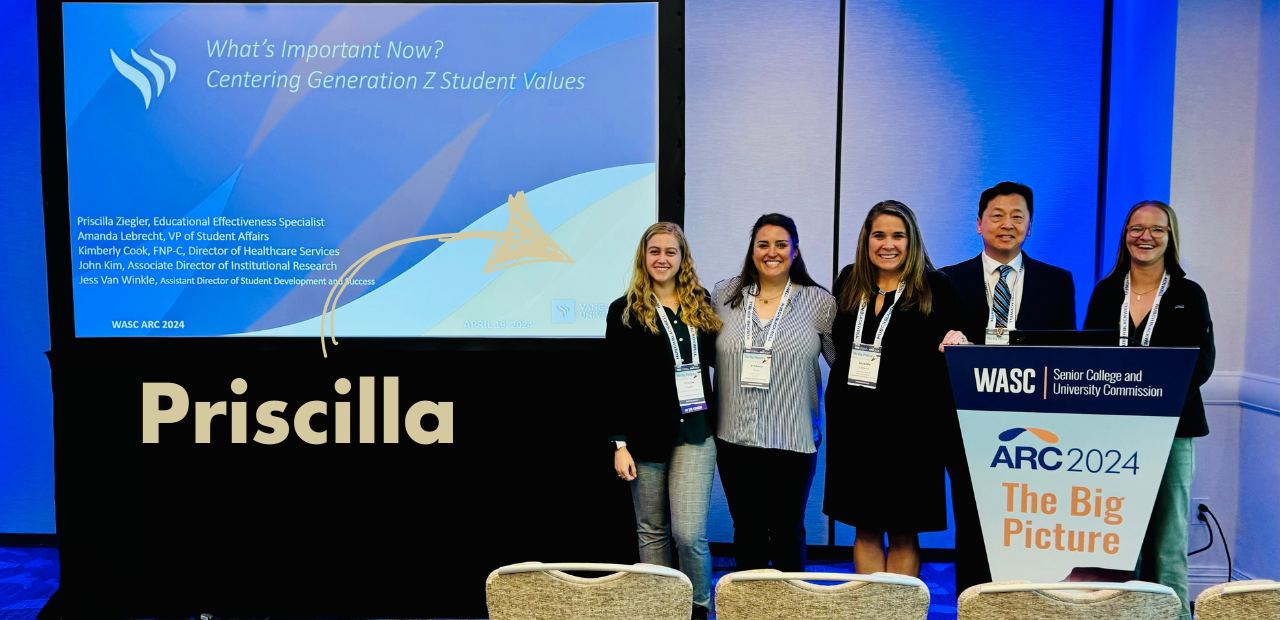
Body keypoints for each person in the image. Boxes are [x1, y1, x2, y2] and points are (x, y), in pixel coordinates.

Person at [938, 181, 1077, 592]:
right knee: (973, 521)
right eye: (996, 215)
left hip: (1033, 429)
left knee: (1025, 522)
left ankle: (1022, 605)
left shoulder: (1057, 282)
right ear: (979, 223)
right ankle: (974, 604)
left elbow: (1065, 354)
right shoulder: (947, 280)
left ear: (1030, 226)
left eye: (1018, 216)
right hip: (967, 422)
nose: (1007, 224)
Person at [1084, 200, 1213, 618]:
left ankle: (1173, 615)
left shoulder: (1188, 295)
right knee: (1119, 534)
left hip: (1172, 433)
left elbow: (1202, 363)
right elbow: (1088, 358)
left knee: (1168, 538)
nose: (1146, 236)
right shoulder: (1106, 292)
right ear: (1125, 236)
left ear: (1170, 236)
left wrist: (1155, 403)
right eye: (1136, 228)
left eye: (1157, 229)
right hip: (1115, 434)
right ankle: (1124, 613)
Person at [824, 200, 967, 576]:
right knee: (865, 527)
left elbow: (963, 341)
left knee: (904, 531)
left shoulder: (936, 286)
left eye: (898, 236)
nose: (888, 244)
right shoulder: (849, 281)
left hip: (913, 429)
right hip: (855, 425)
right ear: (866, 240)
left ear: (912, 240)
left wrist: (959, 340)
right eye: (879, 235)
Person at [606, 222, 723, 620]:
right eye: (654, 251)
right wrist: (619, 444)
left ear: (682, 258)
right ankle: (658, 610)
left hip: (696, 432)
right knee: (651, 530)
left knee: (689, 535)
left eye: (670, 252)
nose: (662, 259)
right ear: (644, 257)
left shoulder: (702, 303)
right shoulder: (623, 310)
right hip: (645, 436)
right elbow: (614, 380)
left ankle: (698, 610)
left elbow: (721, 361)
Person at [712, 213, 836, 573]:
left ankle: (789, 609)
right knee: (747, 531)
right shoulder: (724, 295)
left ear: (795, 252)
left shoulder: (818, 302)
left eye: (781, 244)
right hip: (735, 438)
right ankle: (747, 609)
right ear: (752, 252)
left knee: (788, 531)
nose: (772, 252)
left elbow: (841, 363)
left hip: (793, 440)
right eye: (763, 244)